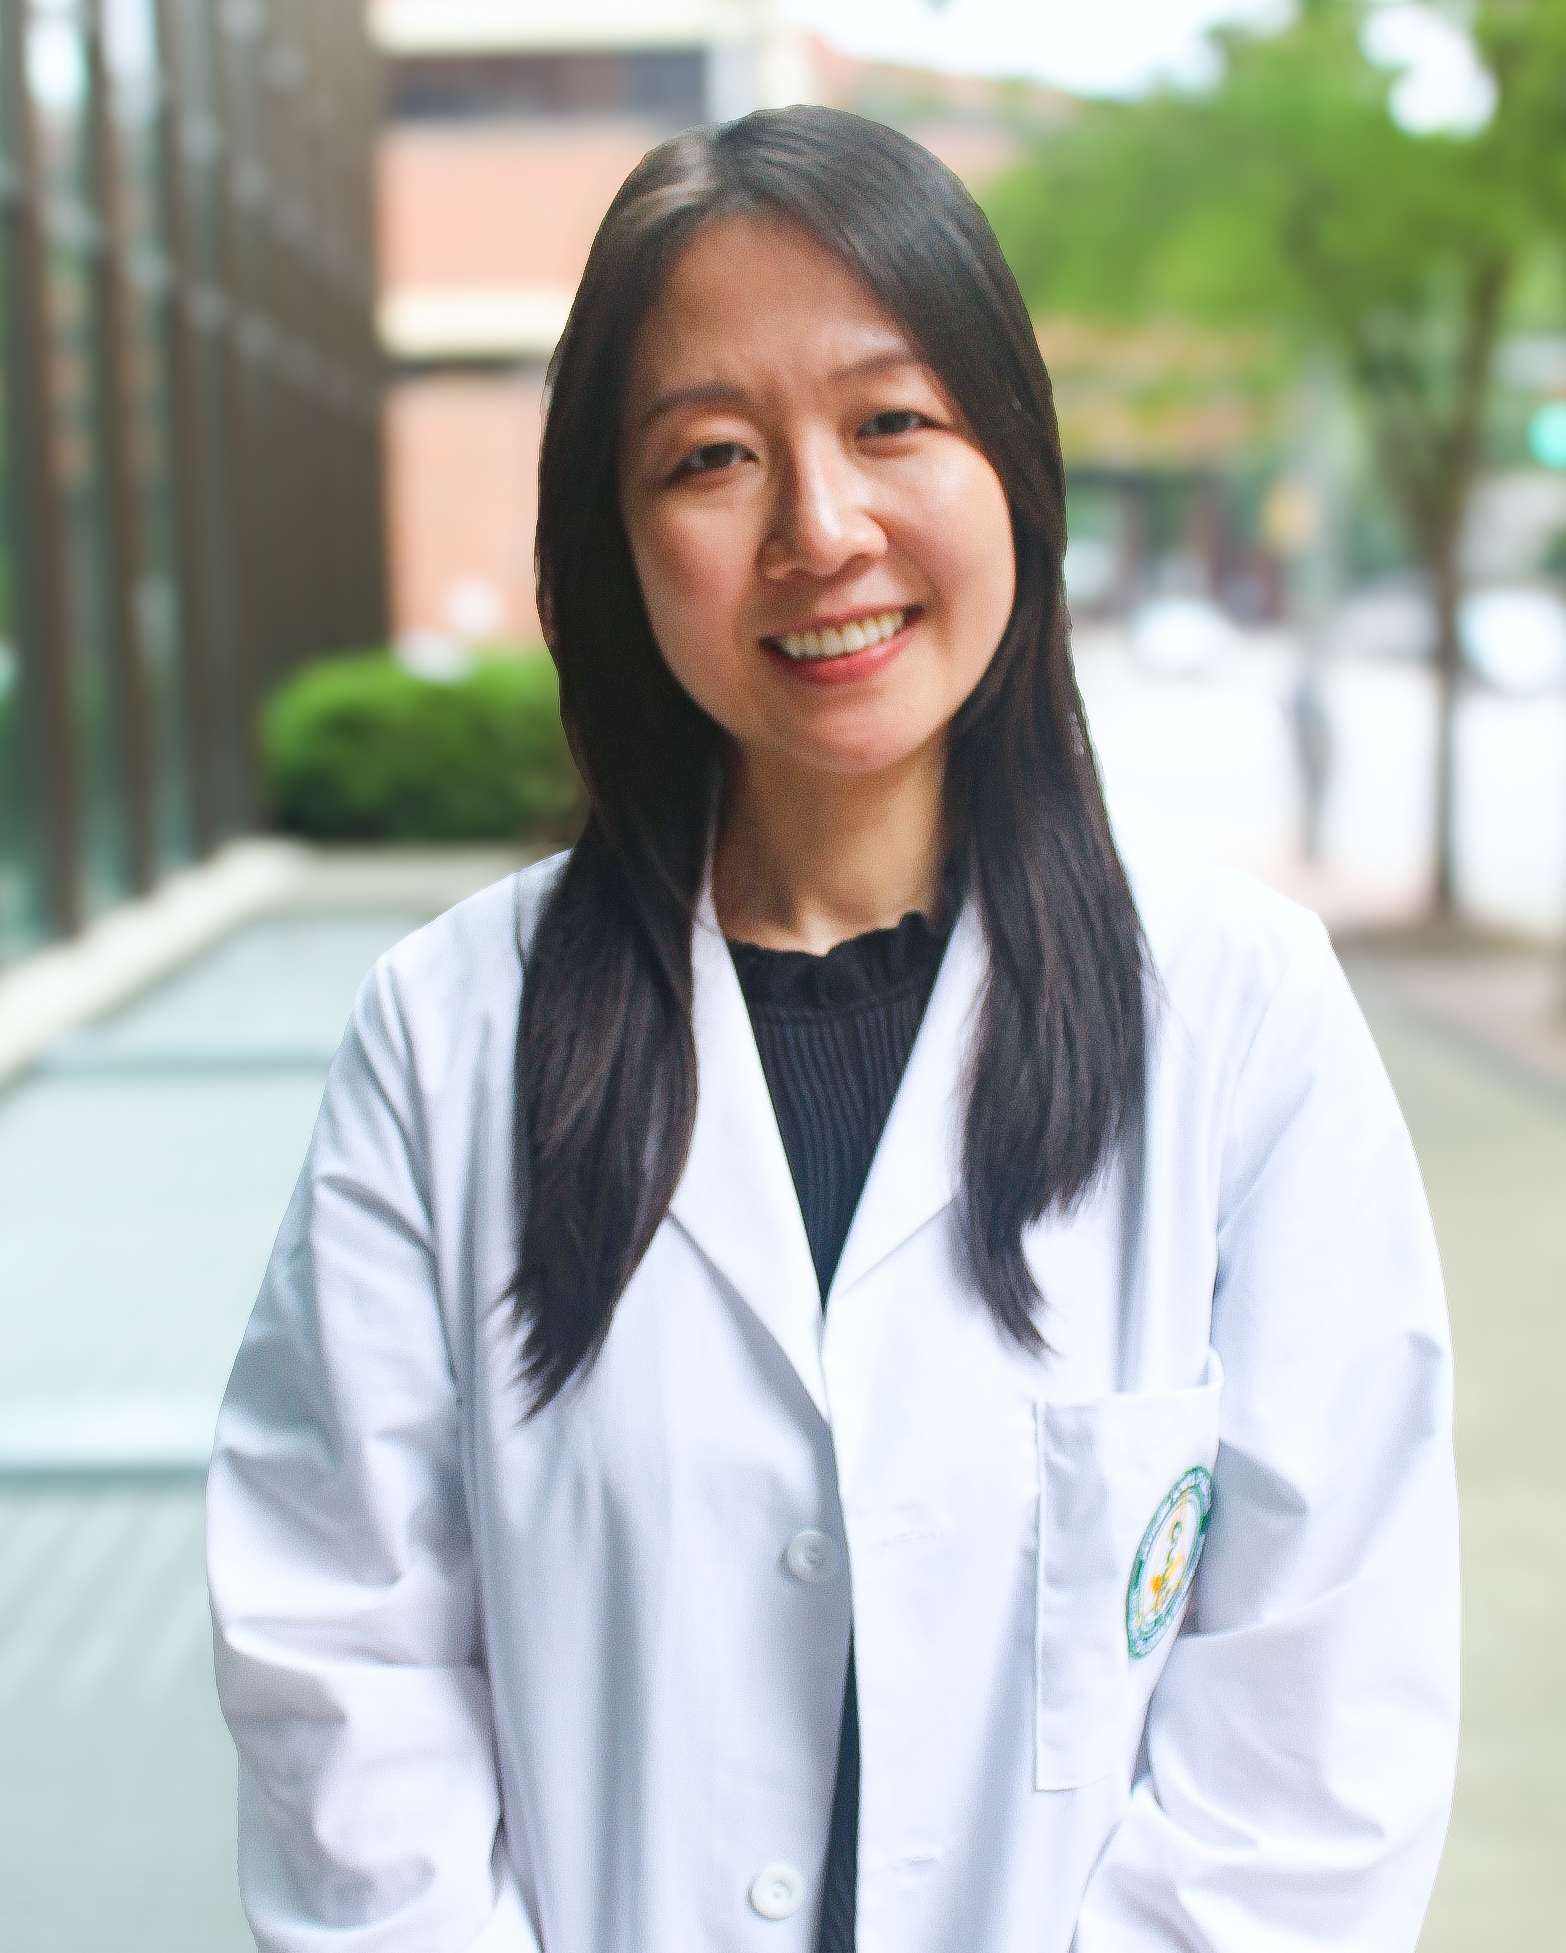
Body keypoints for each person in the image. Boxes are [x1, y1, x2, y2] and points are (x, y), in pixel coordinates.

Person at [207, 108, 1459, 1953]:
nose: (820, 528)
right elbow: (345, 1668)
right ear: (614, 540)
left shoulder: (1242, 1023)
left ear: (1010, 461)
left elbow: (1317, 1721)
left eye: (891, 422)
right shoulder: (447, 1039)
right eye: (711, 456)